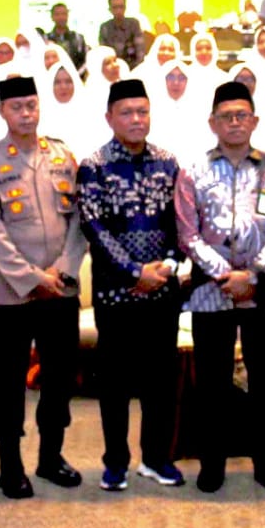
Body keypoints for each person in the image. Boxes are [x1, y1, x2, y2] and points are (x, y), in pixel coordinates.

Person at [175, 81, 265, 493]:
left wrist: (253, 276)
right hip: (211, 291)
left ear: (254, 121)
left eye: (241, 115)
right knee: (212, 384)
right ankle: (212, 464)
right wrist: (226, 277)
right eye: (226, 116)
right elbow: (188, 235)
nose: (234, 123)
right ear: (212, 123)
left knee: (264, 381)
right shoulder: (192, 172)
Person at [0, 76, 88, 499]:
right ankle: (10, 466)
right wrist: (34, 278)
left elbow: (79, 220)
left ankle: (50, 457)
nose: (26, 113)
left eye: (32, 105)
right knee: (7, 383)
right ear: (2, 111)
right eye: (17, 106)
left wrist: (64, 270)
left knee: (59, 377)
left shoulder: (62, 156)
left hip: (61, 291)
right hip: (10, 295)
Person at [76, 78, 186, 492]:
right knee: (116, 383)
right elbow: (94, 227)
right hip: (116, 292)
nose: (136, 119)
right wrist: (135, 272)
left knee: (161, 381)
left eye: (142, 111)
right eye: (127, 112)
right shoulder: (94, 166)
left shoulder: (168, 162)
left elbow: (180, 223)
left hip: (162, 290)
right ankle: (115, 463)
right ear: (110, 118)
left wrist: (168, 267)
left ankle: (156, 459)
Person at [99, 0, 144, 69]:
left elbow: (140, 49)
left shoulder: (134, 24)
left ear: (125, 8)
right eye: (115, 7)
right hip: (113, 67)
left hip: (133, 66)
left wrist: (138, 68)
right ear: (110, 9)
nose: (118, 11)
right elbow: (104, 52)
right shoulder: (105, 27)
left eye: (121, 7)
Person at [40, 3, 89, 72]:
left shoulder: (78, 38)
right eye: (57, 14)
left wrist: (74, 75)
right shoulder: (45, 39)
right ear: (52, 17)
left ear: (68, 16)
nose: (61, 17)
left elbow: (85, 61)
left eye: (64, 14)